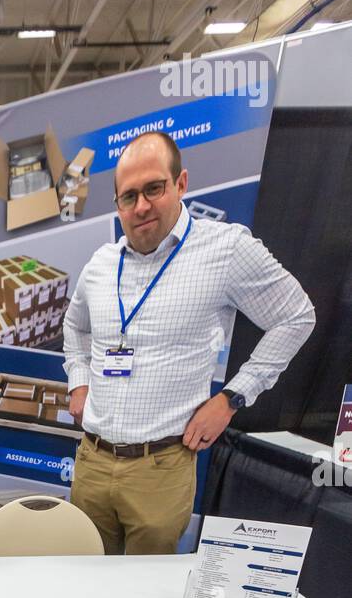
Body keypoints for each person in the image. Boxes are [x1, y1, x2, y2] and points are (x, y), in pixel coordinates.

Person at [62, 131, 315, 555]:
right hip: (92, 462)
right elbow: (75, 326)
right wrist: (79, 380)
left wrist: (231, 398)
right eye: (128, 196)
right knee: (86, 590)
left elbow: (296, 315)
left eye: (153, 188)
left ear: (180, 184)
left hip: (160, 468)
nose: (141, 206)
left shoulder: (226, 249)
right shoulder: (101, 266)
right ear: (118, 205)